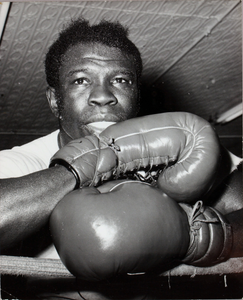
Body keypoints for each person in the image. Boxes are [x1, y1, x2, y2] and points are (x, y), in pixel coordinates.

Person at [0, 18, 242, 299]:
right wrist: (94, 162)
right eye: (81, 80)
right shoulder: (25, 162)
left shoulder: (174, 147)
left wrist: (198, 236)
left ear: (136, 95)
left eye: (120, 80)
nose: (103, 96)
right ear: (55, 100)